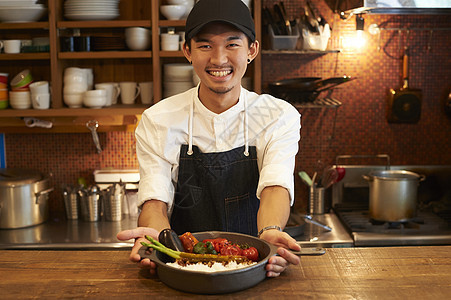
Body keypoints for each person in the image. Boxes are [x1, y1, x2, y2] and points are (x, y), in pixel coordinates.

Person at [117, 0, 301, 277]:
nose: (218, 59)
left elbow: (276, 185)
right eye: (205, 46)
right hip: (183, 264)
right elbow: (155, 198)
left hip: (253, 264)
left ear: (252, 50)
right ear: (187, 51)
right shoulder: (158, 119)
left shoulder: (278, 116)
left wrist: (271, 234)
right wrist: (156, 240)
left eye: (232, 44)